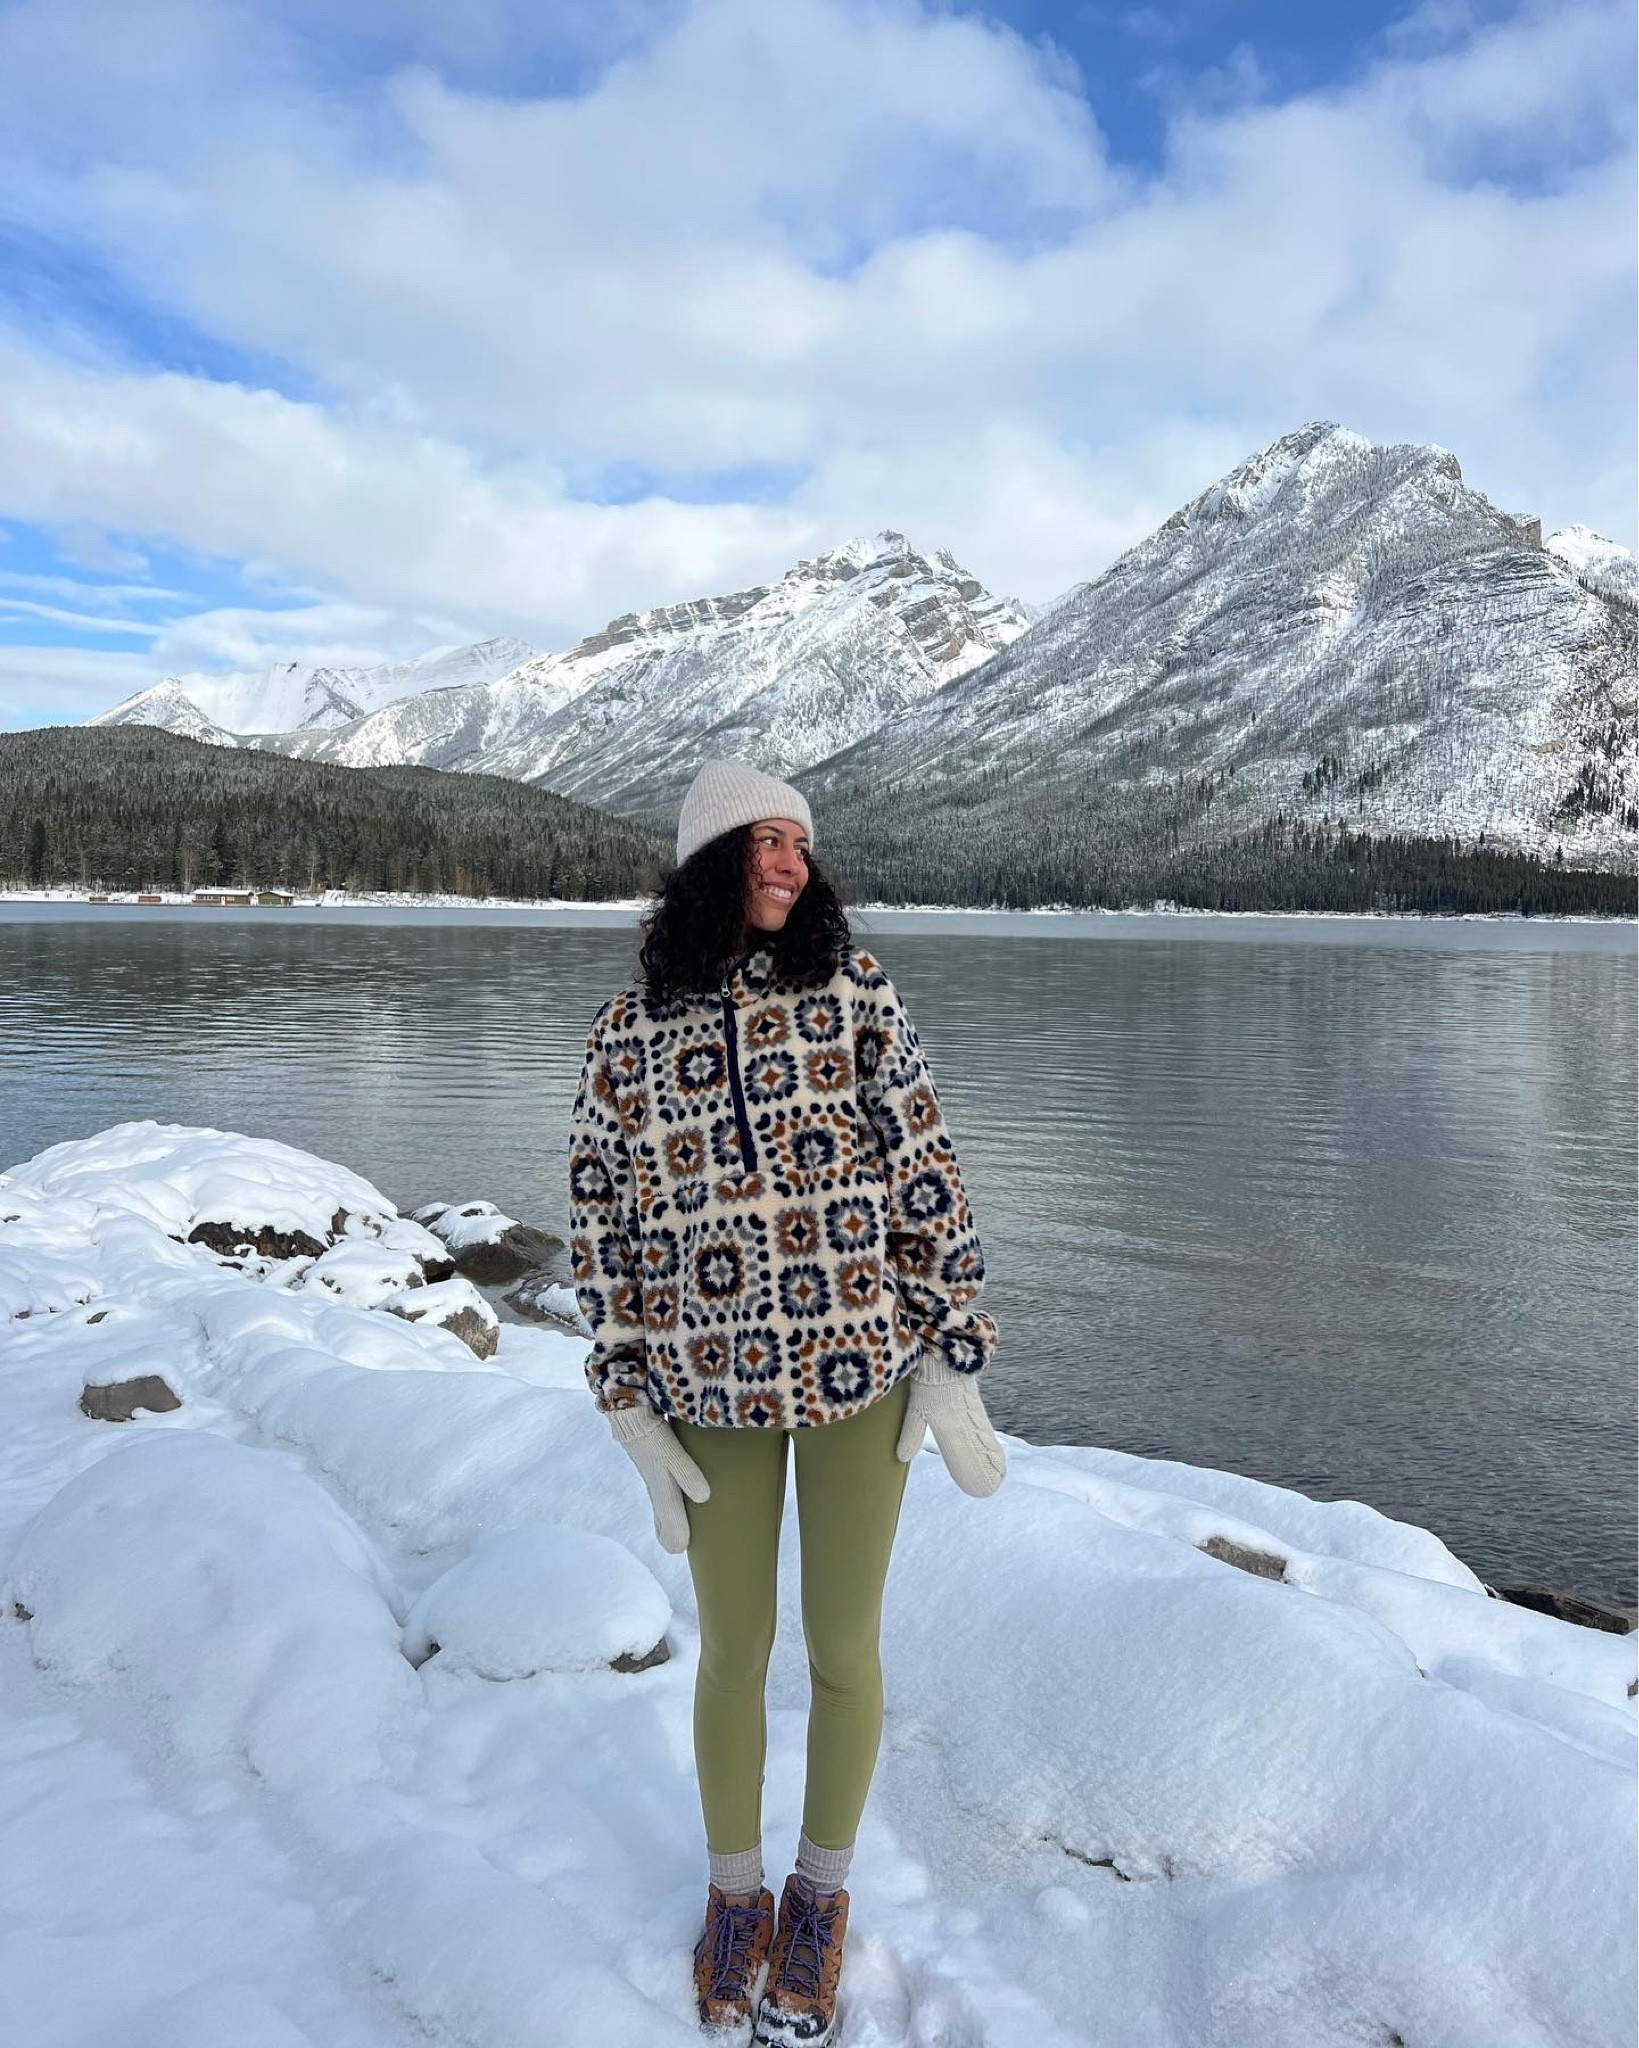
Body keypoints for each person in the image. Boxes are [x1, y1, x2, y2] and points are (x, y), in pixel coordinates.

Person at [568, 756, 1006, 2046]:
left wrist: (951, 1339)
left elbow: (925, 1167)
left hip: (859, 1372)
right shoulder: (629, 1031)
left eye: (797, 845)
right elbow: (602, 1220)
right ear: (708, 865)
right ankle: (733, 1892)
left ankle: (819, 1892)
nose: (783, 861)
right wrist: (628, 1391)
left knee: (846, 1652)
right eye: (757, 843)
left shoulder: (855, 995)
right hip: (707, 1385)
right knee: (735, 1656)